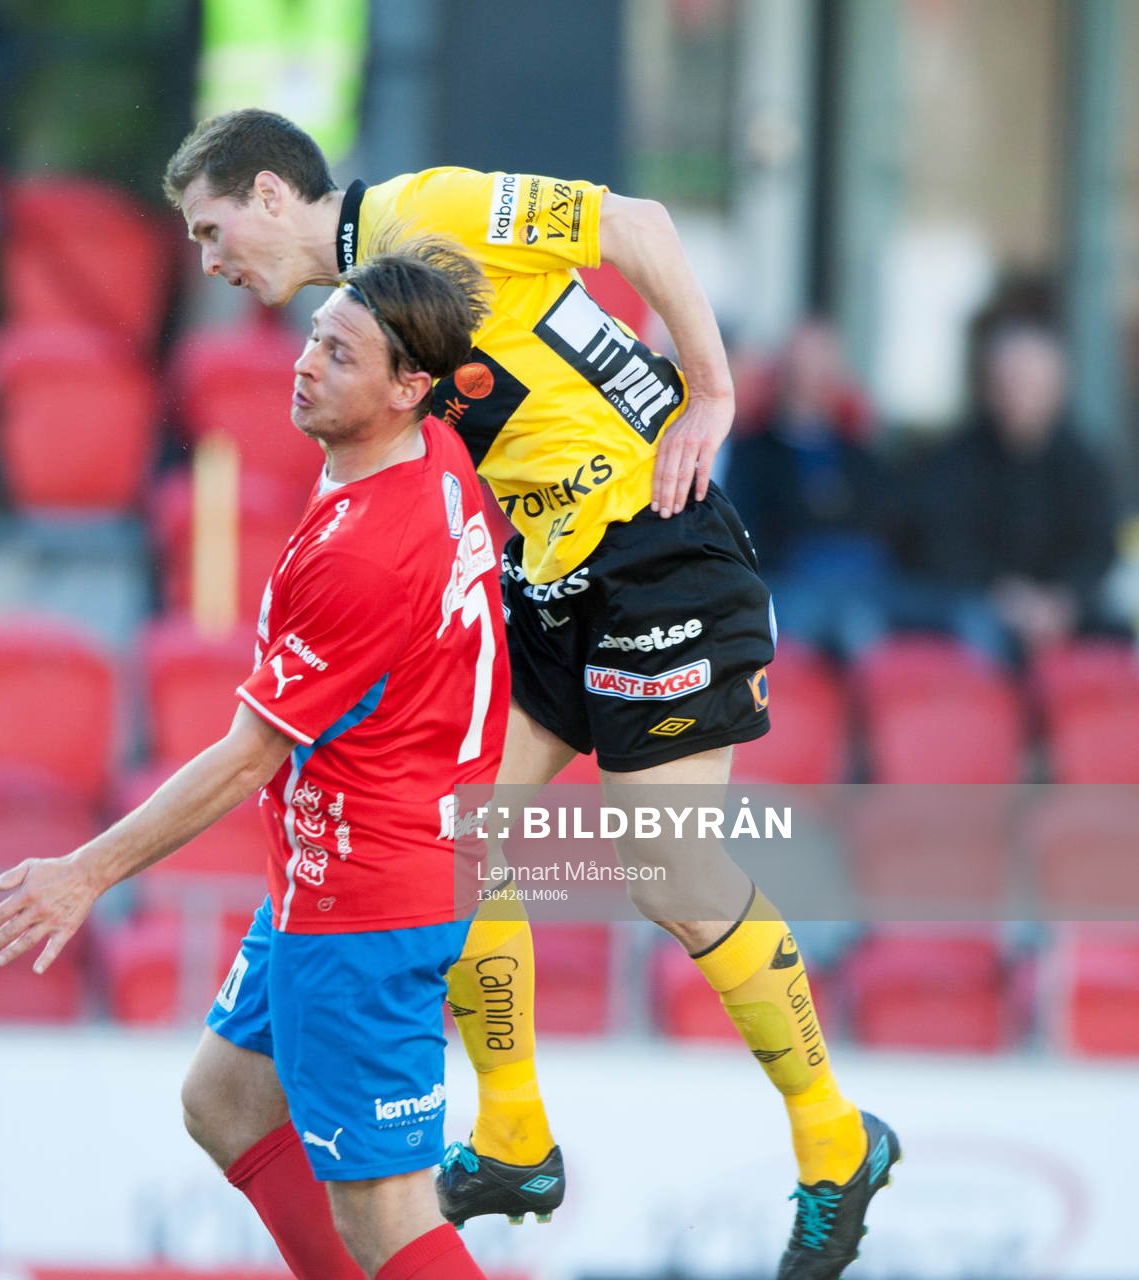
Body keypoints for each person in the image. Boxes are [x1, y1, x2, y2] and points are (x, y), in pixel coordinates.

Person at [162, 109, 897, 1278]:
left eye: (210, 229)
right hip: (549, 572)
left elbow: (639, 224)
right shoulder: (371, 311)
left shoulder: (429, 210)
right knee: (447, 830)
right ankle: (512, 1132)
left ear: (266, 194)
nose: (210, 261)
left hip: (659, 546)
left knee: (669, 870)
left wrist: (710, 392)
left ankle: (834, 1138)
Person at [0, 247, 506, 1280]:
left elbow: (246, 757)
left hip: (367, 899)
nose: (306, 363)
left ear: (408, 387)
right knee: (221, 1098)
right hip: (348, 874)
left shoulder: (361, 552)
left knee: (385, 1213)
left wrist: (83, 872)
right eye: (315, 334)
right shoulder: (435, 449)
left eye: (341, 355)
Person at [887, 318, 1118, 660]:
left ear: (1056, 388)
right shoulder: (953, 462)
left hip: (1061, 611)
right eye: (1007, 381)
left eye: (1031, 383)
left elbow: (1096, 547)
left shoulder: (1082, 463)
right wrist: (1003, 594)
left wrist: (1060, 602)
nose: (1017, 394)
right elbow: (938, 546)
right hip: (976, 607)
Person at [723, 319, 893, 658]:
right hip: (786, 585)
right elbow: (741, 533)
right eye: (800, 367)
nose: (808, 379)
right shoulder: (750, 454)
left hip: (863, 588)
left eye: (820, 368)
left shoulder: (861, 458)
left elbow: (887, 527)